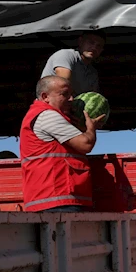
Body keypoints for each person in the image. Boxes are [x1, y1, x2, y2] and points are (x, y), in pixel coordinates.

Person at [19, 75, 105, 212]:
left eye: (71, 94)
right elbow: (85, 144)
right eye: (65, 94)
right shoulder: (48, 116)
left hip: (53, 199)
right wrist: (91, 128)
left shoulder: (40, 114)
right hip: (57, 199)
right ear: (45, 97)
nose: (71, 99)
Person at [40, 31, 105, 96]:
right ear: (80, 41)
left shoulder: (92, 72)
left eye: (99, 46)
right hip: (48, 101)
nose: (94, 48)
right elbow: (63, 85)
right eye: (91, 42)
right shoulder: (66, 55)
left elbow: (93, 95)